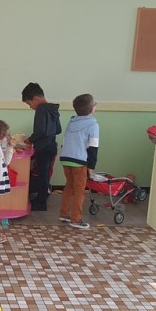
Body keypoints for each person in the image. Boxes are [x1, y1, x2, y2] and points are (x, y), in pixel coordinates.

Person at [59, 94, 99, 230]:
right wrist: (91, 166)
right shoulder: (93, 124)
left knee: (69, 186)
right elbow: (93, 147)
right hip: (80, 161)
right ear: (92, 109)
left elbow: (65, 140)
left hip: (65, 158)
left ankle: (64, 213)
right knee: (79, 191)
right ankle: (76, 219)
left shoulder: (72, 121)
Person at [21, 82, 61, 211]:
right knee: (45, 175)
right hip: (51, 146)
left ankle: (41, 203)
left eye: (29, 103)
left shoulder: (41, 109)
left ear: (36, 98)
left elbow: (41, 131)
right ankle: (41, 198)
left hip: (43, 148)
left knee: (42, 175)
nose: (30, 107)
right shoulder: (53, 108)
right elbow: (58, 129)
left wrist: (29, 140)